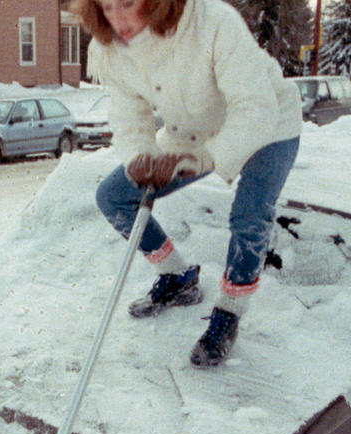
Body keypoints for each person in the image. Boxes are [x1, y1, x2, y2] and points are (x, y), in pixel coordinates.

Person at [69, 0, 303, 367]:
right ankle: (178, 277)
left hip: (269, 124)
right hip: (191, 133)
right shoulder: (110, 48)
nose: (119, 19)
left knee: (248, 214)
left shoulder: (212, 22)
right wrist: (141, 158)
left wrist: (208, 158)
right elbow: (129, 114)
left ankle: (229, 312)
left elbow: (255, 108)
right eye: (108, 7)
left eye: (128, 4)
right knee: (114, 196)